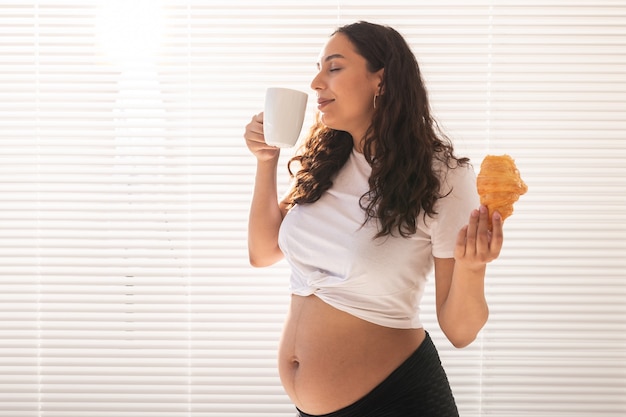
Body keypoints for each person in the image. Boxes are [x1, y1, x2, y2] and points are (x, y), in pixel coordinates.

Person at [244, 21, 503, 417]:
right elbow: (263, 252)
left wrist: (472, 268)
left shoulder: (443, 176)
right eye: (318, 67)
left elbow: (460, 331)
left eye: (333, 67)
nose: (315, 82)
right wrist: (267, 161)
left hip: (399, 400)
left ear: (380, 81)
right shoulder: (328, 162)